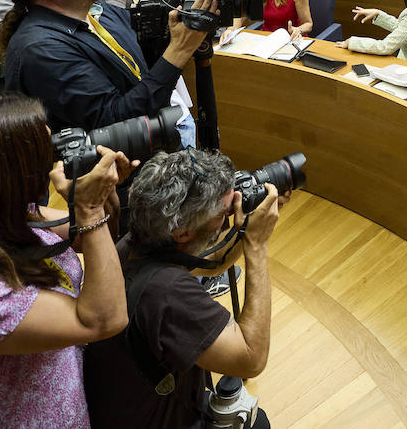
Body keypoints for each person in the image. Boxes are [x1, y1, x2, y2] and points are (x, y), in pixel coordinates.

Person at [0, 93, 129, 429]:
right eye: (39, 147)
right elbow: (104, 320)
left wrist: (97, 196)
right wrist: (90, 209)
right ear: (5, 173)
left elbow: (83, 235)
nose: (51, 144)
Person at [83, 149, 283, 429]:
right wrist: (257, 245)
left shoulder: (132, 244)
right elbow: (251, 359)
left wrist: (246, 226)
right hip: (160, 420)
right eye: (223, 213)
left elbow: (210, 261)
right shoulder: (168, 293)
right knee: (258, 424)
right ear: (183, 233)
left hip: (125, 408)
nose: (227, 218)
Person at [0, 0, 214, 136]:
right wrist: (180, 50)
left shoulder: (98, 10)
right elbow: (114, 122)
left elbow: (141, 69)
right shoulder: (41, 50)